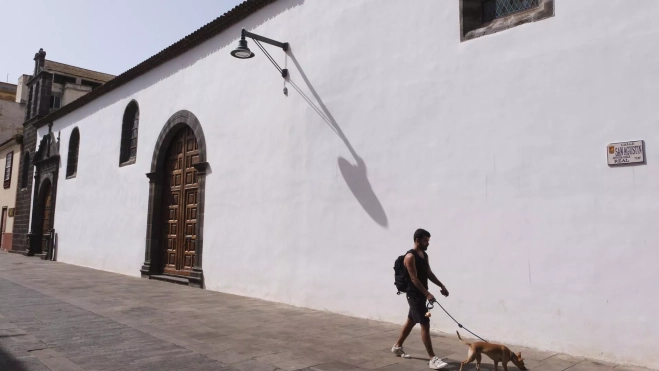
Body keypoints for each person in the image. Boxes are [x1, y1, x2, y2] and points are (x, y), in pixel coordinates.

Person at [391, 228, 450, 369]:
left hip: (421, 294)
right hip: (414, 294)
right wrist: (427, 294)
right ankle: (432, 358)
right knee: (425, 322)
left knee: (411, 321)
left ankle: (397, 346)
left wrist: (441, 285)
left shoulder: (424, 255)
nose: (428, 243)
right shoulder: (410, 257)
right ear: (417, 240)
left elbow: (428, 273)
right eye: (425, 241)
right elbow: (414, 278)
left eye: (428, 241)